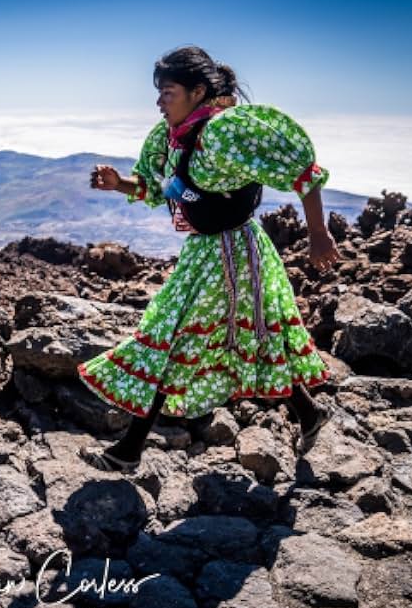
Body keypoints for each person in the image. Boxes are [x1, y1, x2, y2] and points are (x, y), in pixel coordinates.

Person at [75, 45, 342, 473]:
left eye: (168, 92)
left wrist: (318, 233)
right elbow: (163, 188)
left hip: (234, 254)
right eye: (159, 93)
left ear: (198, 91)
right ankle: (310, 414)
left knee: (175, 339)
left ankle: (127, 451)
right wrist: (118, 183)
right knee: (243, 337)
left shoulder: (223, 133)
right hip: (204, 252)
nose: (160, 102)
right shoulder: (173, 137)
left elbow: (302, 171)